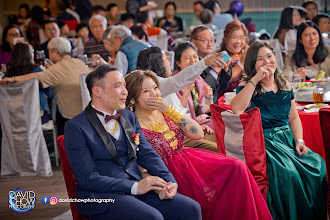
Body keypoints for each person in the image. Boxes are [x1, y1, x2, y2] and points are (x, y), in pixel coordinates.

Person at [125, 69, 272, 220]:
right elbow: (138, 162)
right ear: (133, 98)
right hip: (166, 171)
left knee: (237, 167)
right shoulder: (132, 124)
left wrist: (168, 109)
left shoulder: (164, 110)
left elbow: (197, 134)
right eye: (146, 91)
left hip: (188, 159)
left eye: (155, 88)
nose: (154, 94)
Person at [64, 64, 202, 219]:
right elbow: (88, 178)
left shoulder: (129, 117)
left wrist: (169, 181)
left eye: (124, 85)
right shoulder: (76, 127)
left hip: (136, 188)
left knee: (191, 208)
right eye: (118, 86)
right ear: (97, 91)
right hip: (102, 196)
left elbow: (147, 154)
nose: (125, 91)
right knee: (152, 217)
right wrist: (135, 187)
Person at [230, 41, 327, 220]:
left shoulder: (284, 84)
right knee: (288, 173)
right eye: (260, 59)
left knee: (317, 165)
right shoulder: (248, 85)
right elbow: (236, 108)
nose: (267, 62)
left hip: (286, 139)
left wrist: (299, 140)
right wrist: (255, 79)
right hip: (264, 142)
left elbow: (294, 117)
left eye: (269, 56)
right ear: (253, 64)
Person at [0, 37, 89, 136]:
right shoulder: (79, 62)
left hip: (68, 116)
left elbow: (36, 77)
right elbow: (50, 89)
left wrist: (13, 79)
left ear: (54, 52)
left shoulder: (56, 69)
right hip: (86, 112)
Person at [136, 46, 218, 152]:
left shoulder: (163, 84)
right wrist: (205, 62)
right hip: (175, 135)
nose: (169, 63)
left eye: (195, 57)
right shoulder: (159, 84)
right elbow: (178, 81)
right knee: (220, 146)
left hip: (184, 129)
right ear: (158, 63)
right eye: (166, 59)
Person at [6, 42, 53, 124]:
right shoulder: (37, 72)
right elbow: (51, 93)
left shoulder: (7, 75)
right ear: (30, 55)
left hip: (14, 116)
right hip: (37, 116)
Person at [191, 25, 232, 104]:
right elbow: (203, 91)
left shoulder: (209, 59)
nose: (209, 44)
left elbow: (221, 88)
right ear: (194, 42)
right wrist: (215, 70)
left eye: (212, 40)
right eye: (204, 41)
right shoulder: (193, 62)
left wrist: (225, 69)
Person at [219, 20, 250, 97]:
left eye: (242, 37)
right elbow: (225, 80)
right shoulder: (221, 56)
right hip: (226, 99)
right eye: (234, 37)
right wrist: (241, 63)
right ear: (226, 38)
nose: (238, 42)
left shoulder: (246, 54)